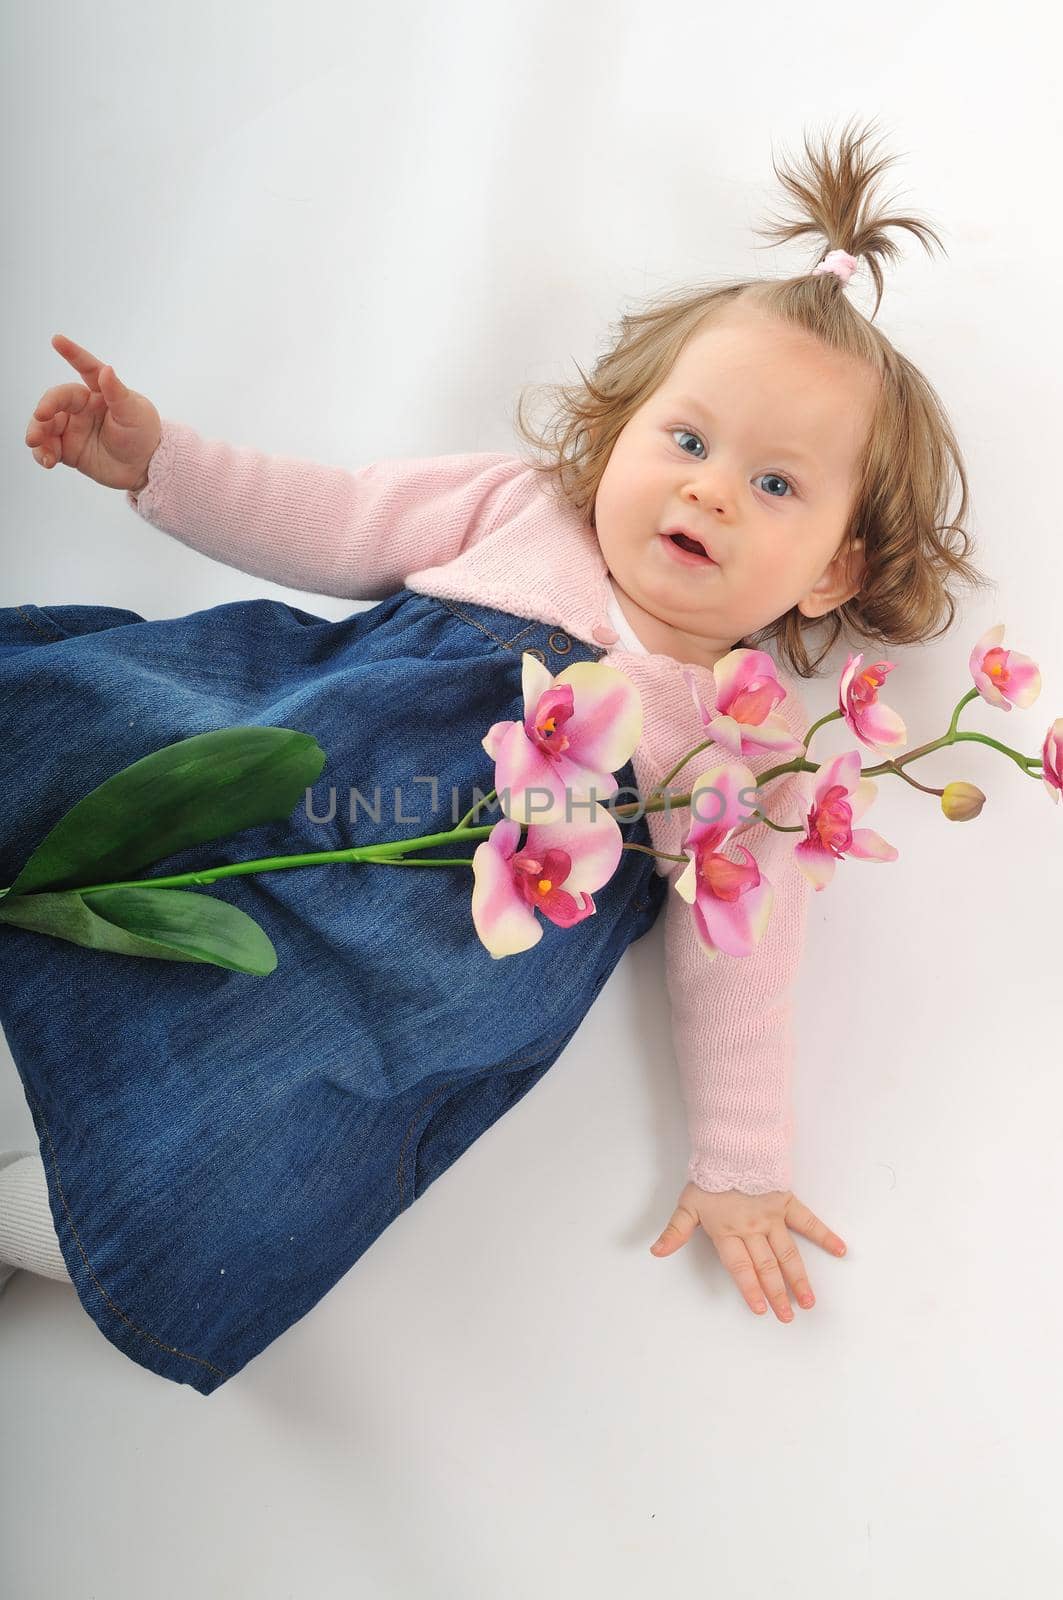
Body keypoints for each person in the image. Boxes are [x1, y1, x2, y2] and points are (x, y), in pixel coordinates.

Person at [0, 116, 989, 1393]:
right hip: (274, 763)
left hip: (394, 969)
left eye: (777, 485)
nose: (709, 492)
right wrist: (162, 463)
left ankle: (52, 1215)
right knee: (108, 745)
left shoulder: (737, 747)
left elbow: (743, 966)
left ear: (834, 573)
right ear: (621, 431)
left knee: (246, 1113)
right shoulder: (517, 510)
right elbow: (330, 517)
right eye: (686, 442)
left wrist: (742, 1156)